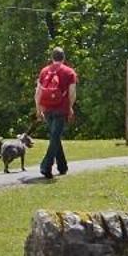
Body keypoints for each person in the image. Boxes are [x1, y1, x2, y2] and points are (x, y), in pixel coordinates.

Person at [35, 46, 79, 180]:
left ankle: (62, 166)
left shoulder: (44, 71)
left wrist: (38, 108)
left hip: (47, 108)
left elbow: (38, 92)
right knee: (55, 137)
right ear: (63, 57)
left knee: (55, 137)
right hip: (61, 108)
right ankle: (46, 166)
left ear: (52, 58)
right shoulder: (69, 72)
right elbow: (72, 93)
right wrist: (70, 107)